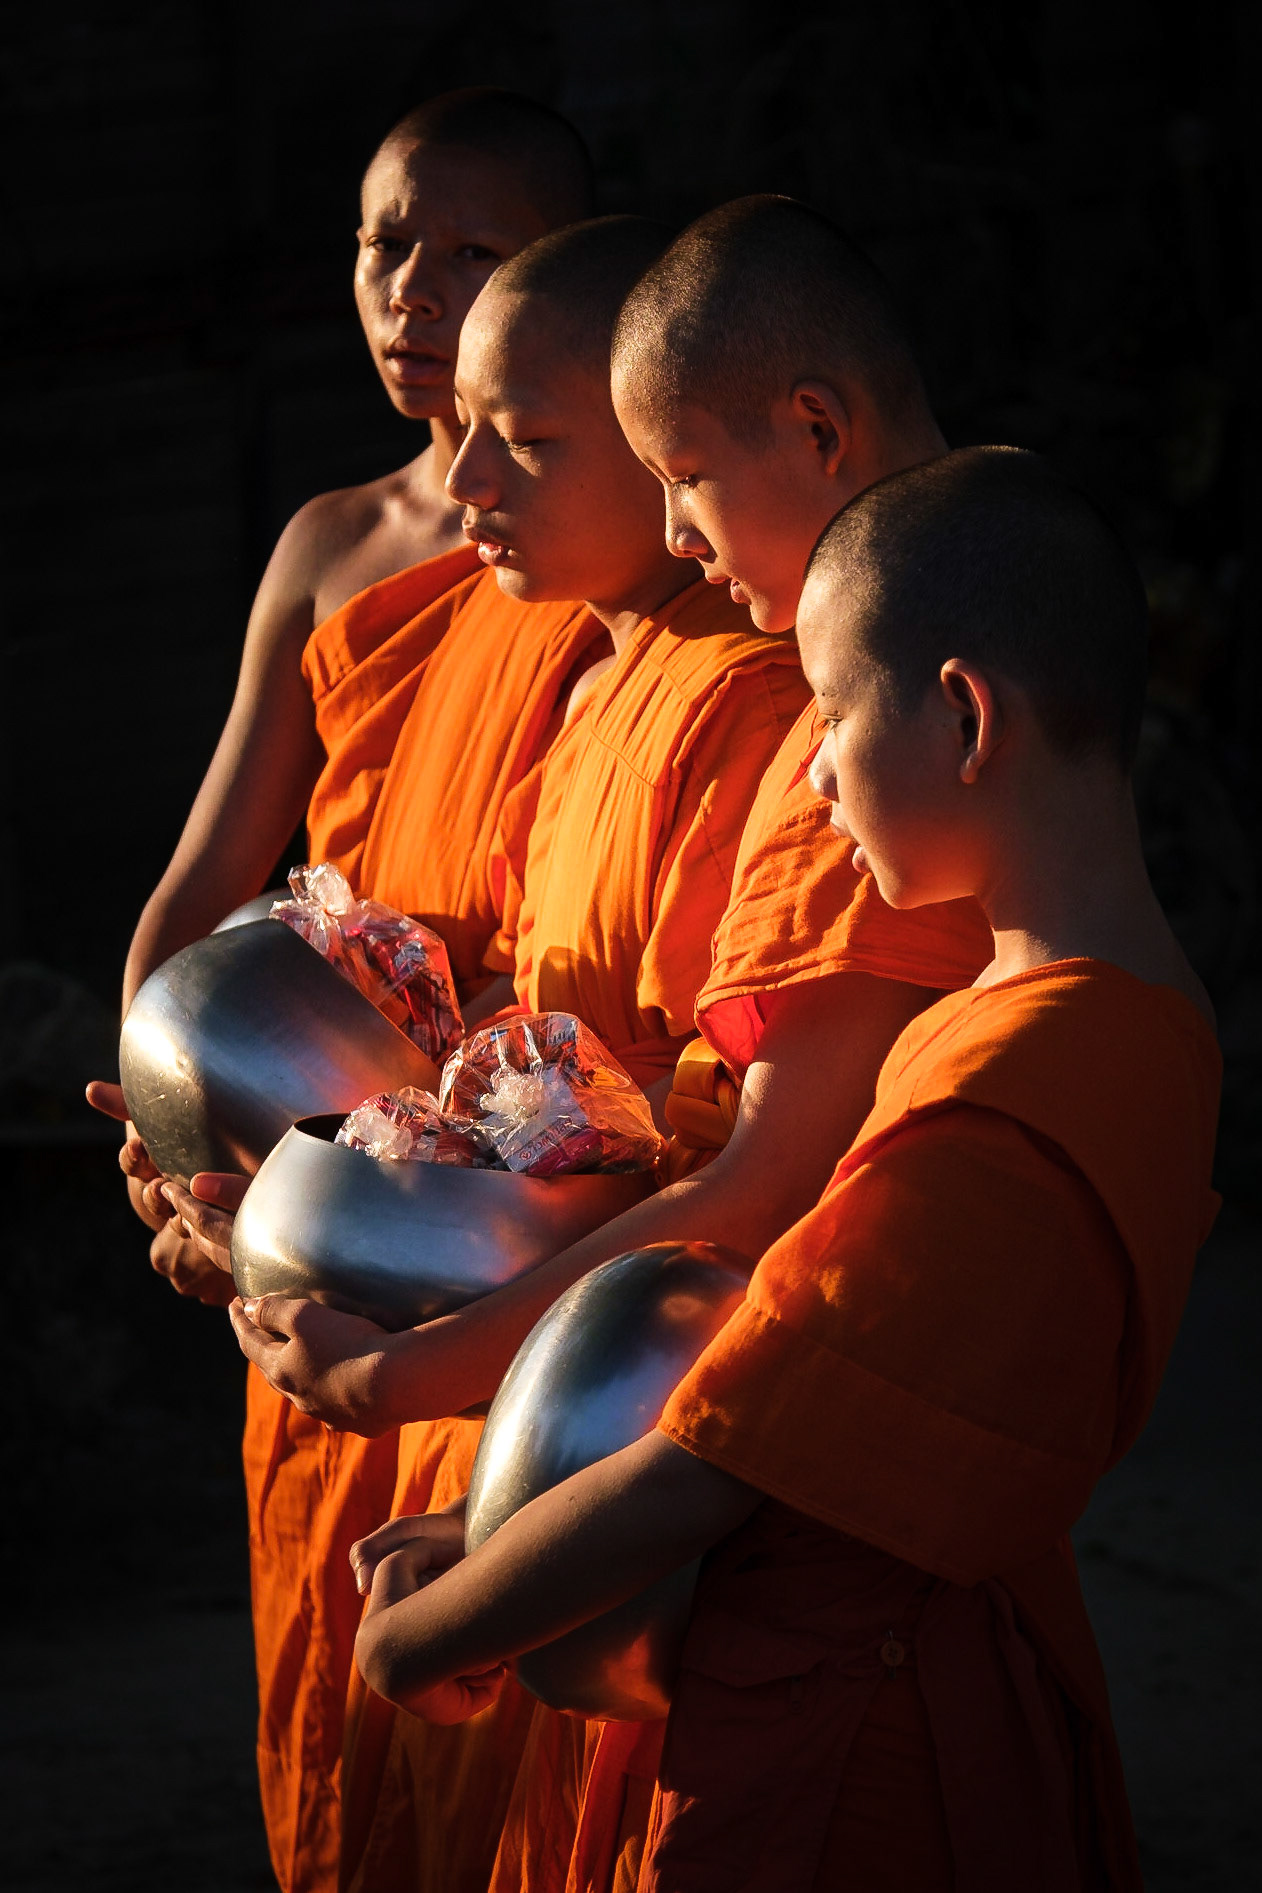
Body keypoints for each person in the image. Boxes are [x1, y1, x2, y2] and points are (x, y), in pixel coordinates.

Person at [348, 447, 1222, 1893]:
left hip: (847, 1734)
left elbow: (714, 1463)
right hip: (898, 1675)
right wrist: (490, 1516)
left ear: (960, 713)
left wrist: (434, 1631)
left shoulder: (1023, 1067)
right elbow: (818, 1394)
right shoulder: (1123, 1013)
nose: (808, 772)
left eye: (825, 711)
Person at [169, 214, 809, 1893]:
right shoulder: (582, 678)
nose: (462, 488)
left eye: (519, 442)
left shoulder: (751, 703)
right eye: (460, 434)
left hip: (593, 1377)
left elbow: (734, 1149)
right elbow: (496, 1060)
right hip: (477, 1328)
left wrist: (427, 1353)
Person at [88, 88, 599, 1893]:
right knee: (341, 1730)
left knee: (520, 1737)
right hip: (312, 1174)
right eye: (391, 239)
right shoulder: (331, 544)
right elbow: (202, 879)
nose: (418, 287)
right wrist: (170, 1140)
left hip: (517, 1198)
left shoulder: (610, 543)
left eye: (475, 250)